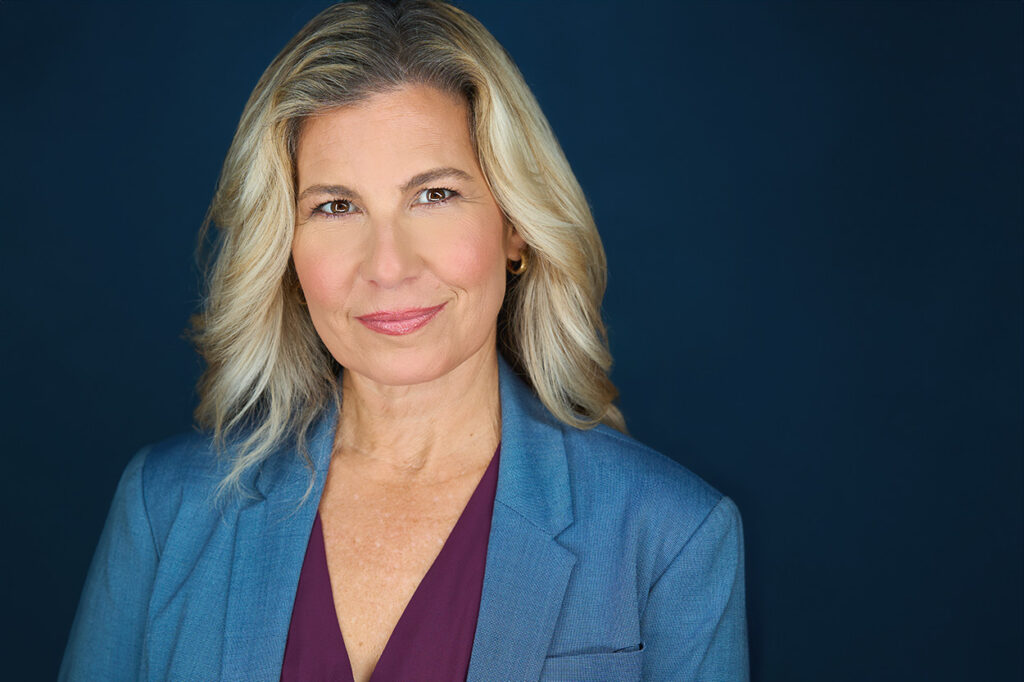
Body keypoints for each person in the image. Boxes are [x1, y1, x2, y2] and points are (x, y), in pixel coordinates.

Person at [59, 0, 749, 679]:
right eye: (335, 206)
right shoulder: (163, 510)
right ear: (285, 252)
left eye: (435, 195)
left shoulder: (670, 538)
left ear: (515, 226)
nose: (389, 266)